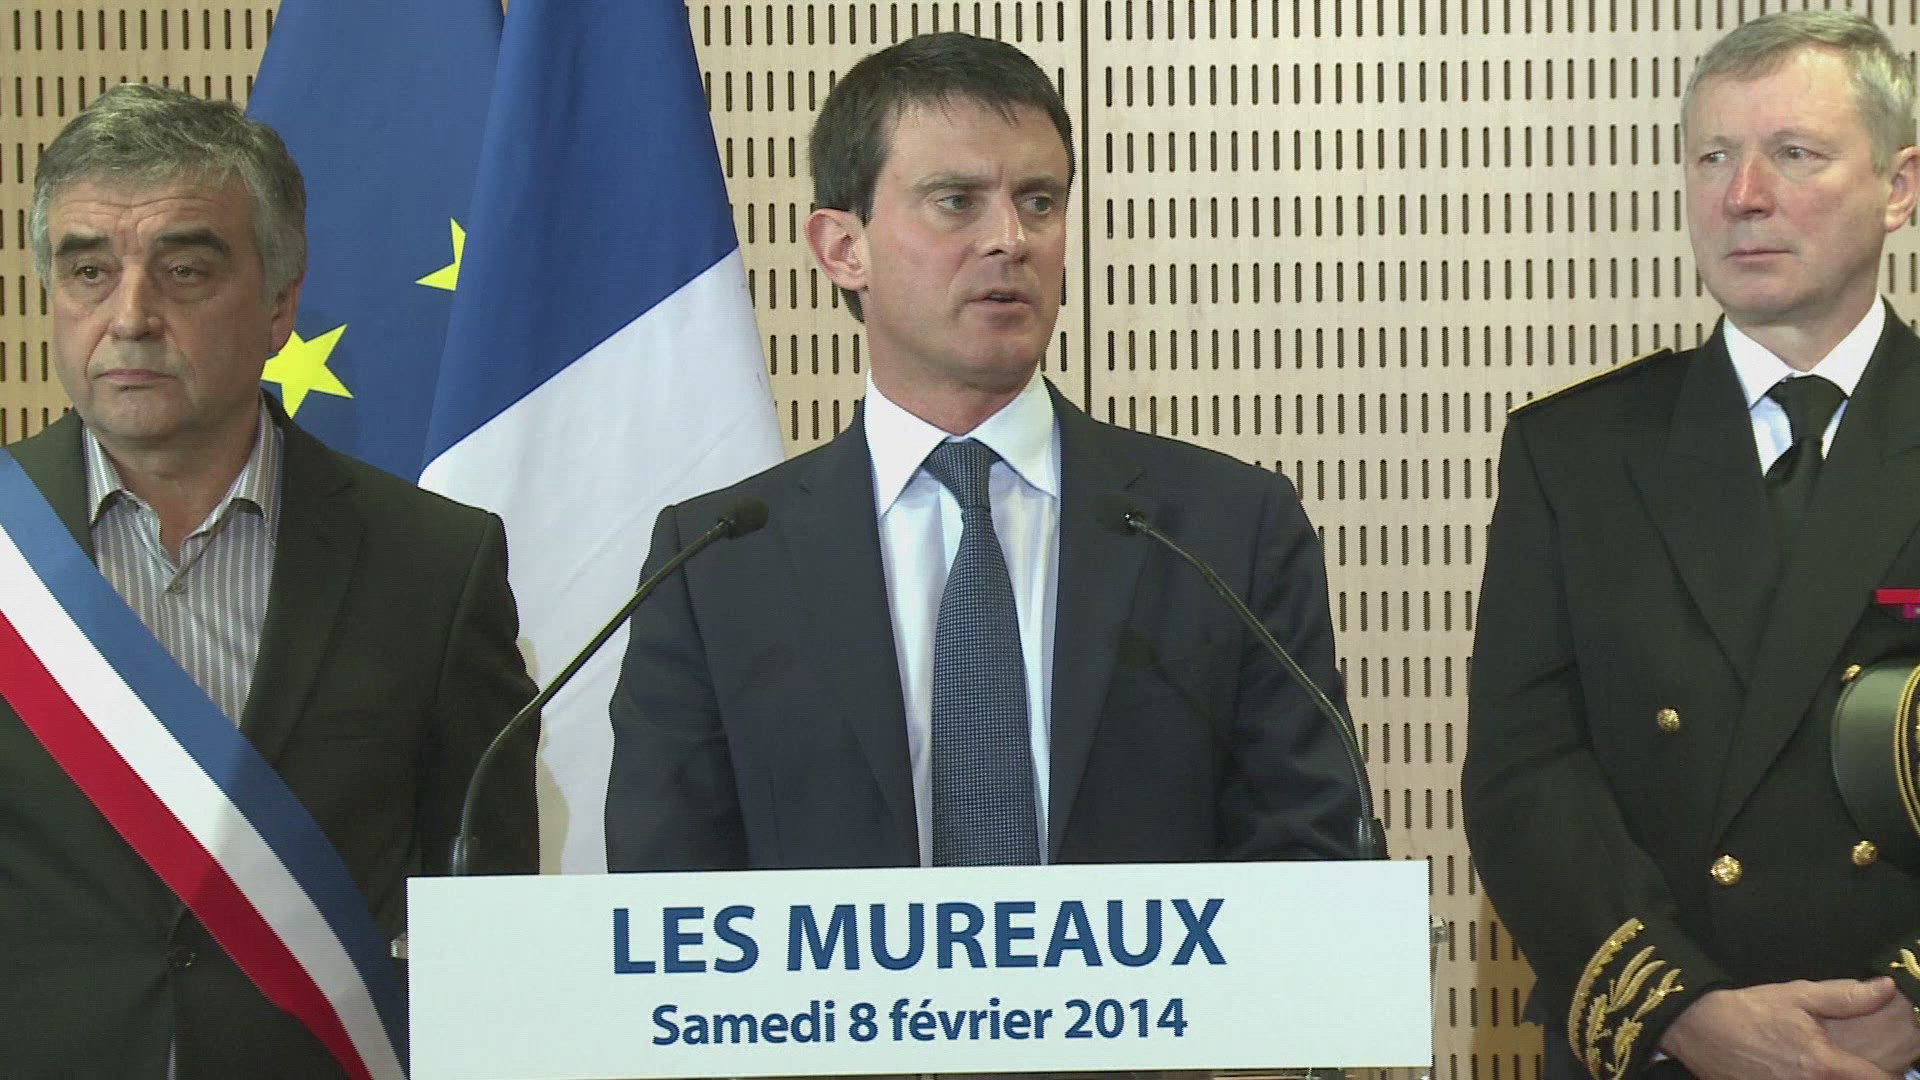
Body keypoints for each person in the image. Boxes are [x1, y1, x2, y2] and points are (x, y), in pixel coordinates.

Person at [605, 32, 1360, 874]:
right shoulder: (716, 563)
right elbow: (663, 895)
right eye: (957, 201)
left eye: (1039, 201)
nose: (1011, 239)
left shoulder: (1225, 534)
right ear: (843, 249)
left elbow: (1311, 859)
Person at [0, 83, 538, 1077]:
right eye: (89, 270)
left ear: (280, 303)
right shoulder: (10, 555)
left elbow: (486, 920)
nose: (131, 316)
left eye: (185, 270)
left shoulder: (434, 565)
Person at [1463, 10, 1920, 1078]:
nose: (1742, 194)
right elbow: (1525, 774)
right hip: (1666, 1044)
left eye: (1793, 153)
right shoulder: (1574, 453)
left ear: (1900, 187)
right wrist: (1689, 1013)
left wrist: (1908, 1002)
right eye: (1713, 156)